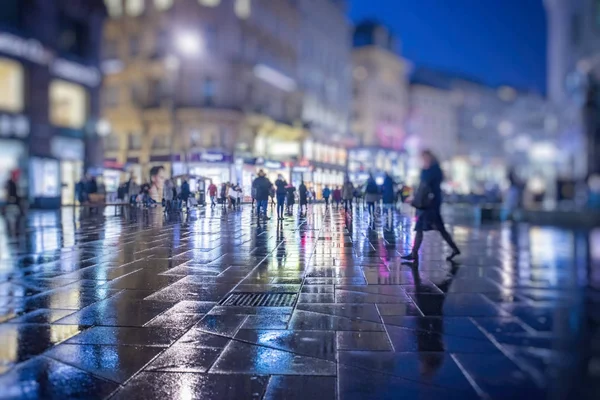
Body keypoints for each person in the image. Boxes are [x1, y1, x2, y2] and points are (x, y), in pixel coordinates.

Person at [402, 150, 461, 262]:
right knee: (422, 227)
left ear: (430, 157)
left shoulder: (433, 170)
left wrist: (424, 170)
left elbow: (426, 184)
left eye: (425, 158)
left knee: (438, 228)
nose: (423, 160)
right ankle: (414, 253)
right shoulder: (431, 169)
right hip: (428, 203)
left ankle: (454, 249)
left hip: (430, 204)